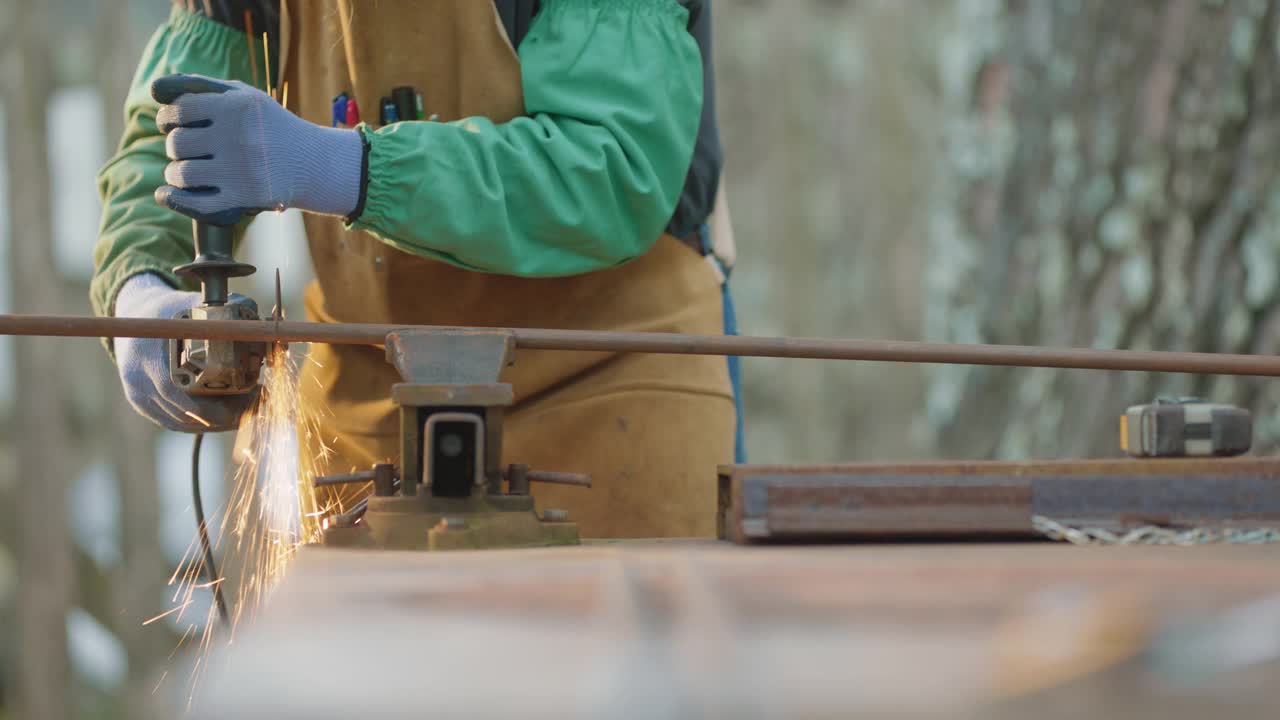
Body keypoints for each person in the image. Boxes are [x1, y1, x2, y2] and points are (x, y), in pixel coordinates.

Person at [92, 0, 742, 538]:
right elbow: (176, 134)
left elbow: (612, 168)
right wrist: (140, 289)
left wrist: (345, 170)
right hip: (369, 414)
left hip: (606, 392)